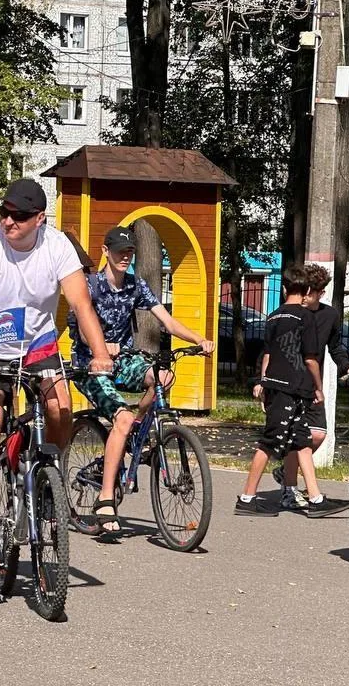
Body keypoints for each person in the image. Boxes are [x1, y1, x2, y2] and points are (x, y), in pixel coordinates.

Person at [0, 178, 112, 573]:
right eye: (4, 212)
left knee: (61, 408)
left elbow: (80, 303)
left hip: (38, 345)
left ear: (39, 219)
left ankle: (46, 476)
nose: (9, 221)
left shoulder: (57, 245)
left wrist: (100, 353)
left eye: (19, 216)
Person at [69, 225, 215, 534]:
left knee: (164, 375)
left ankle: (134, 428)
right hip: (91, 365)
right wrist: (99, 347)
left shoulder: (136, 286)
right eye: (120, 251)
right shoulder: (90, 286)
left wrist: (200, 340)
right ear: (106, 252)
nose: (125, 257)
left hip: (121, 361)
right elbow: (83, 325)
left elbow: (169, 322)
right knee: (119, 420)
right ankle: (106, 498)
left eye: (130, 252)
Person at [237, 264, 344, 516]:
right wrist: (318, 388)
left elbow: (268, 353)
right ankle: (247, 498)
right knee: (269, 442)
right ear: (307, 289)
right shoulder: (305, 317)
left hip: (277, 386)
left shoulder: (273, 316)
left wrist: (262, 381)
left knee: (302, 441)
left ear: (284, 288)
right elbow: (311, 359)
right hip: (292, 388)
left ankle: (316, 499)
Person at [268, 263, 349, 511]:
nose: (308, 296)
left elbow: (336, 347)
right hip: (291, 384)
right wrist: (262, 381)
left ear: (320, 292)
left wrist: (346, 366)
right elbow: (271, 349)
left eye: (315, 292)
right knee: (299, 439)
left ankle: (288, 472)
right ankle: (290, 490)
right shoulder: (291, 315)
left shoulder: (329, 316)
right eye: (307, 290)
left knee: (317, 435)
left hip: (311, 384)